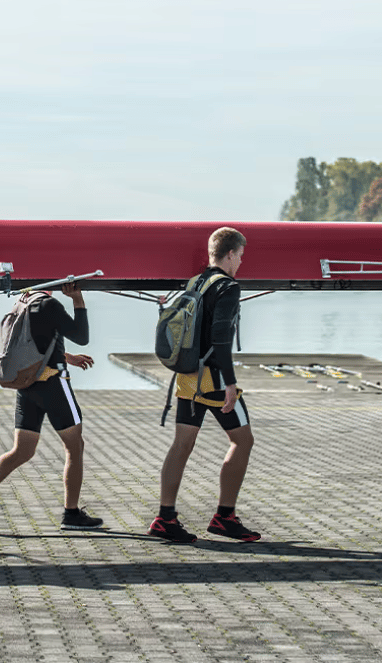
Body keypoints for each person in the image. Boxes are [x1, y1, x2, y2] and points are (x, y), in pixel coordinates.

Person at [0, 282, 102, 534]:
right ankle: (71, 514)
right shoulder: (49, 304)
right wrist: (78, 300)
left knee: (22, 450)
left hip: (27, 385)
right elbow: (82, 337)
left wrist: (67, 356)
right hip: (54, 385)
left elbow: (36, 342)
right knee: (75, 446)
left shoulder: (23, 302)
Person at [148, 227, 261, 543]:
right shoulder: (228, 287)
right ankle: (225, 517)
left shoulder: (195, 282)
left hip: (187, 376)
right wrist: (230, 384)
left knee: (181, 445)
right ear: (230, 254)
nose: (241, 262)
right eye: (240, 256)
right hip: (213, 379)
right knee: (243, 441)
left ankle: (164, 518)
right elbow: (221, 339)